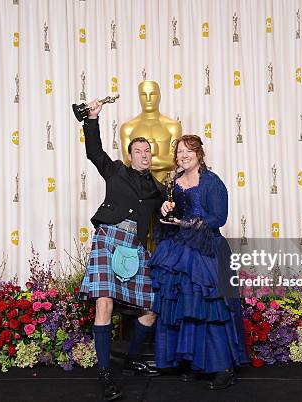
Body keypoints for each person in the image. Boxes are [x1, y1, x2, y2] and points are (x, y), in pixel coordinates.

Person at [78, 100, 164, 401]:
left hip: (135, 247)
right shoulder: (115, 171)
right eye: (138, 151)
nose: (144, 155)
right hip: (109, 239)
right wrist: (91, 119)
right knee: (105, 305)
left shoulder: (157, 189)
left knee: (153, 307)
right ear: (130, 156)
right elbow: (93, 152)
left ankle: (129, 360)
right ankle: (105, 374)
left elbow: (168, 212)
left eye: (148, 151)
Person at [149, 135, 248, 390]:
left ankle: (223, 367)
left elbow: (219, 217)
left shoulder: (212, 182)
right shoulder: (175, 182)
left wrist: (186, 223)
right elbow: (175, 213)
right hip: (181, 251)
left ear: (199, 154)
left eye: (188, 151)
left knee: (210, 308)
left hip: (206, 250)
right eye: (180, 151)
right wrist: (165, 209)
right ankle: (195, 362)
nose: (183, 155)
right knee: (185, 308)